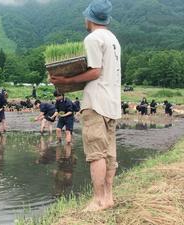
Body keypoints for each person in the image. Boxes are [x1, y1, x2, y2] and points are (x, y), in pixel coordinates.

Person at [50, 0, 121, 211]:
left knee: (96, 153)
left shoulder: (93, 38)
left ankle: (98, 200)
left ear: (89, 18)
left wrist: (66, 81)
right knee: (109, 153)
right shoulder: (113, 39)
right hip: (112, 103)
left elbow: (95, 71)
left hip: (96, 103)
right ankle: (108, 197)